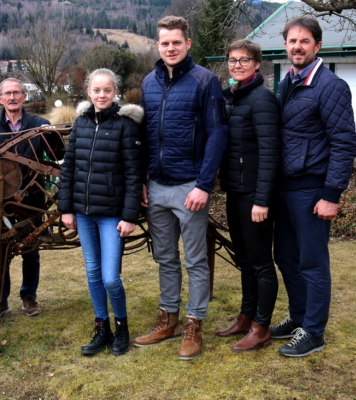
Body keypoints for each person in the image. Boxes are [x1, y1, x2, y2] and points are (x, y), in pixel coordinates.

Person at [134, 16, 228, 360]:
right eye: (164, 43)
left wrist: (204, 185)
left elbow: (218, 135)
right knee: (165, 258)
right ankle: (168, 318)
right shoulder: (149, 82)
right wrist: (144, 179)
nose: (170, 48)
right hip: (157, 185)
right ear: (157, 46)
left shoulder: (205, 81)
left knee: (196, 260)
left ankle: (194, 322)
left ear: (188, 43)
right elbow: (145, 137)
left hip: (191, 186)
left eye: (176, 42)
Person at [271, 16, 356, 357]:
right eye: (292, 41)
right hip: (286, 189)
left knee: (313, 262)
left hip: (313, 189)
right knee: (287, 257)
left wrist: (331, 194)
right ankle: (300, 318)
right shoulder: (287, 84)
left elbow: (344, 142)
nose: (297, 46)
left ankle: (315, 332)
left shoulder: (331, 86)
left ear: (318, 46)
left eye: (304, 41)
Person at [58, 68, 143, 356]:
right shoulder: (81, 123)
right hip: (83, 212)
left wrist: (130, 216)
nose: (102, 95)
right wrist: (66, 208)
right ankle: (101, 327)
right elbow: (69, 168)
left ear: (115, 91)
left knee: (110, 277)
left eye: (107, 90)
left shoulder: (125, 124)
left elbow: (134, 174)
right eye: (97, 90)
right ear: (88, 92)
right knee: (92, 272)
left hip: (112, 214)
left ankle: (122, 327)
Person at [215, 40, 280, 352]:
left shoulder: (262, 99)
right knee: (243, 260)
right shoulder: (233, 98)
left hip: (254, 195)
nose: (236, 65)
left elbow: (270, 154)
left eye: (243, 60)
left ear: (257, 64)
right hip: (235, 190)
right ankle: (246, 316)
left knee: (260, 263)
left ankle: (261, 326)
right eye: (232, 60)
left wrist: (262, 200)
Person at [0, 78, 62, 318]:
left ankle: (29, 297)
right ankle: (1, 301)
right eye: (7, 93)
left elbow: (58, 156)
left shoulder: (40, 124)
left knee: (30, 249)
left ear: (24, 97)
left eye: (17, 92)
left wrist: (53, 135)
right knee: (1, 251)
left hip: (33, 199)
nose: (12, 97)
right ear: (0, 99)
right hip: (1, 202)